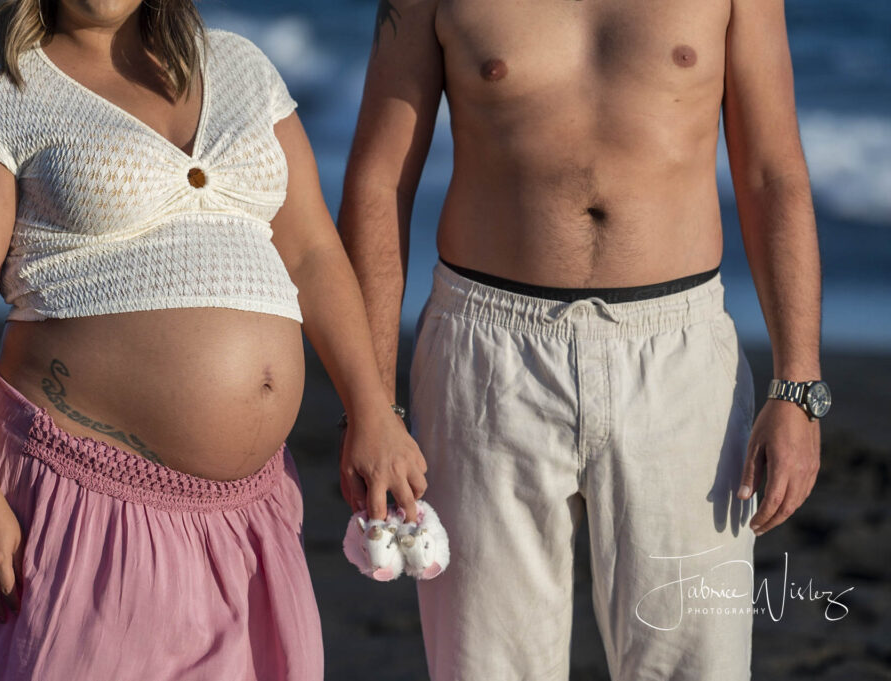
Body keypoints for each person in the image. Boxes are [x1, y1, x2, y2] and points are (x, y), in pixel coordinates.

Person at [0, 1, 427, 678]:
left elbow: (311, 252)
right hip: (86, 507)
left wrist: (372, 409)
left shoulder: (242, 68)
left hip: (250, 520)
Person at [339, 1, 829, 679]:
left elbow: (773, 172)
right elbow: (378, 181)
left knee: (696, 665)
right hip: (487, 354)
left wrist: (797, 384)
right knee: (487, 665)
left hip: (678, 353)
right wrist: (372, 405)